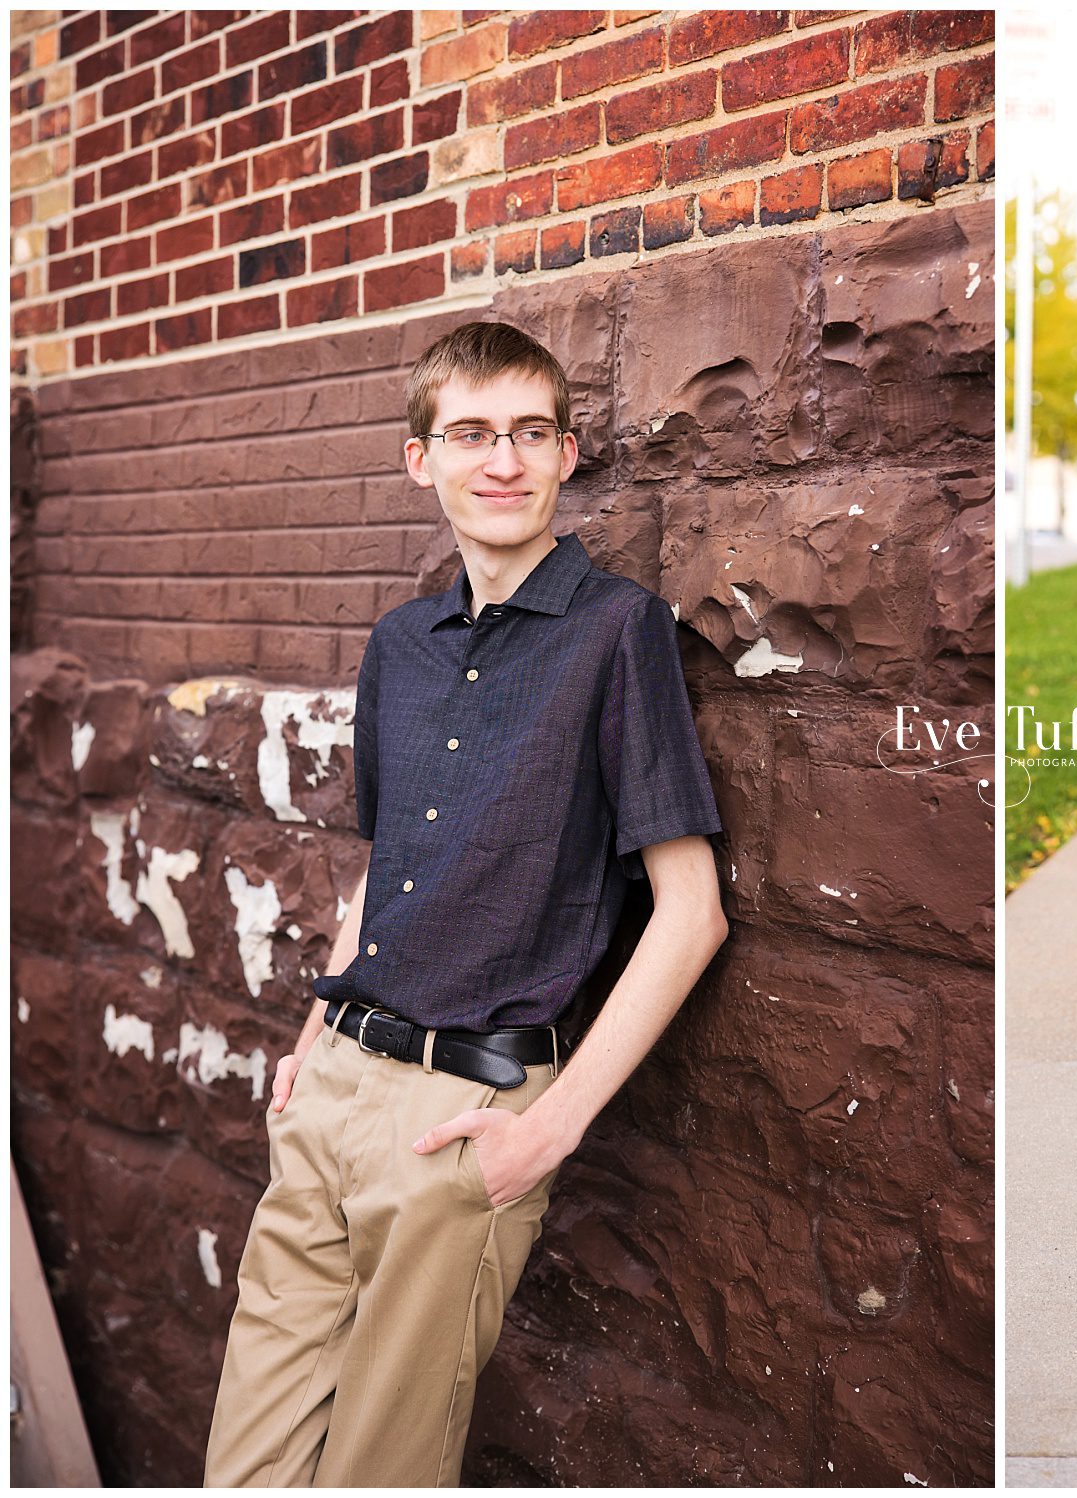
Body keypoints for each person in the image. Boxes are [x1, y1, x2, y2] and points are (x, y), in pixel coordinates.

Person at [204, 322, 729, 1484]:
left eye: (531, 433)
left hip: (465, 1118)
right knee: (243, 1468)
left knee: (377, 1476)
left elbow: (689, 914)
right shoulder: (400, 644)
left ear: (565, 453)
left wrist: (548, 1129)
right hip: (333, 1089)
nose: (504, 461)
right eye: (473, 434)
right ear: (419, 460)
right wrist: (305, 1052)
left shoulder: (613, 632)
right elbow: (385, 866)